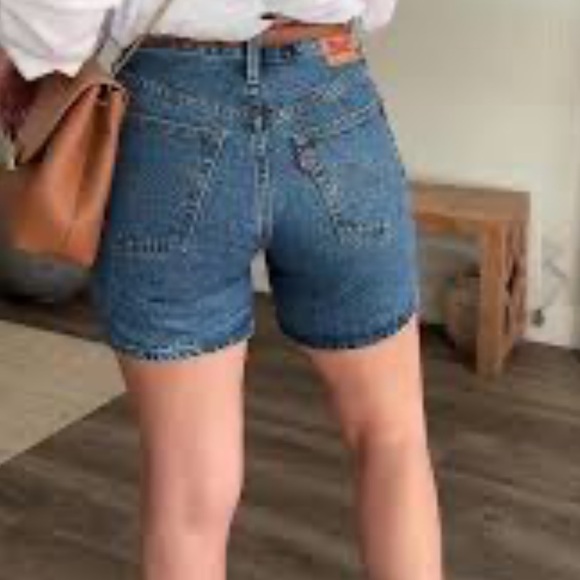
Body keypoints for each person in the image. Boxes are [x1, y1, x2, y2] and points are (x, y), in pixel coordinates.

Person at [0, 2, 445, 579]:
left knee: (187, 491)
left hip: (169, 116)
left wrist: (23, 58)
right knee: (393, 436)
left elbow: (59, 18)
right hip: (333, 98)